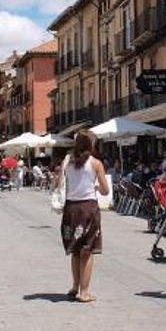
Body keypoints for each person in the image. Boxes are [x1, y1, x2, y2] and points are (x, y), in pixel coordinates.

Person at [60, 130, 109, 303]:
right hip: (88, 208)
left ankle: (75, 286)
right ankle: (85, 292)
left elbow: (60, 182)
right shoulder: (96, 163)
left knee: (75, 250)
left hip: (71, 208)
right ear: (91, 144)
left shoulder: (68, 161)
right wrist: (95, 187)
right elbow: (105, 190)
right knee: (87, 251)